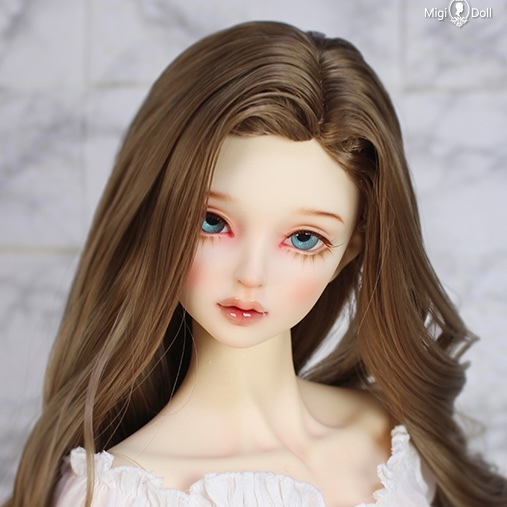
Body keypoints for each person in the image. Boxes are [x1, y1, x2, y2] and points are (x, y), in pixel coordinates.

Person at [4, 21, 507, 507]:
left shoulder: (396, 440)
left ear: (350, 249)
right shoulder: (120, 494)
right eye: (212, 222)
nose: (251, 274)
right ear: (157, 215)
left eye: (304, 238)